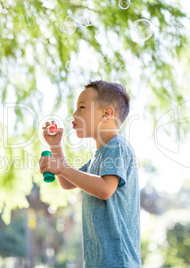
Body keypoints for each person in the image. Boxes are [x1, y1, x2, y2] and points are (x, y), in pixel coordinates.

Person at [39, 80, 141, 267]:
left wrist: (61, 168)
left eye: (82, 107)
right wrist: (55, 146)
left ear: (106, 113)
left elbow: (105, 189)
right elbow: (67, 183)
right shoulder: (97, 159)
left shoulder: (117, 146)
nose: (74, 114)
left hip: (118, 261)